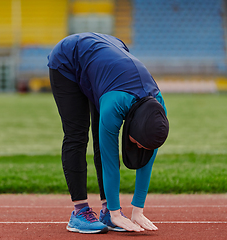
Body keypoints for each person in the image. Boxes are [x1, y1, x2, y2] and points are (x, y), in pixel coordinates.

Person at [47, 32, 169, 234]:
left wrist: (137, 210)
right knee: (77, 135)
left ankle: (106, 211)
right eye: (138, 144)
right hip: (69, 60)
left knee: (99, 133)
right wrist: (116, 213)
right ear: (133, 127)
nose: (138, 149)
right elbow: (109, 158)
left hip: (107, 63)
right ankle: (80, 212)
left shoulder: (157, 109)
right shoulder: (114, 104)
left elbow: (148, 157)